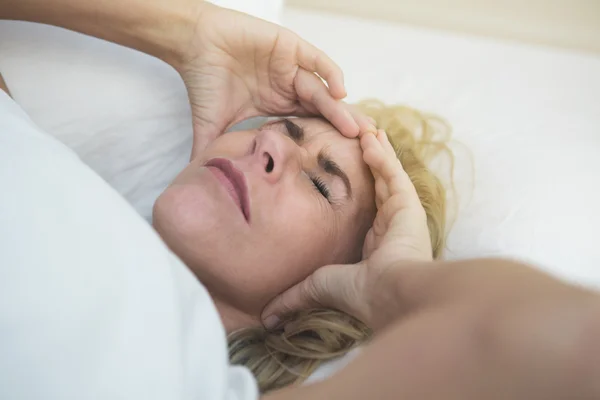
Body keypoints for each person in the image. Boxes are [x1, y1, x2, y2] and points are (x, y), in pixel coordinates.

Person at [1, 2, 599, 400]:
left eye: (320, 184)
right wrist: (191, 32)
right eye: (274, 125)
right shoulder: (37, 152)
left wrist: (391, 282)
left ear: (322, 288)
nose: (266, 143)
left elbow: (558, 340)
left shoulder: (199, 383)